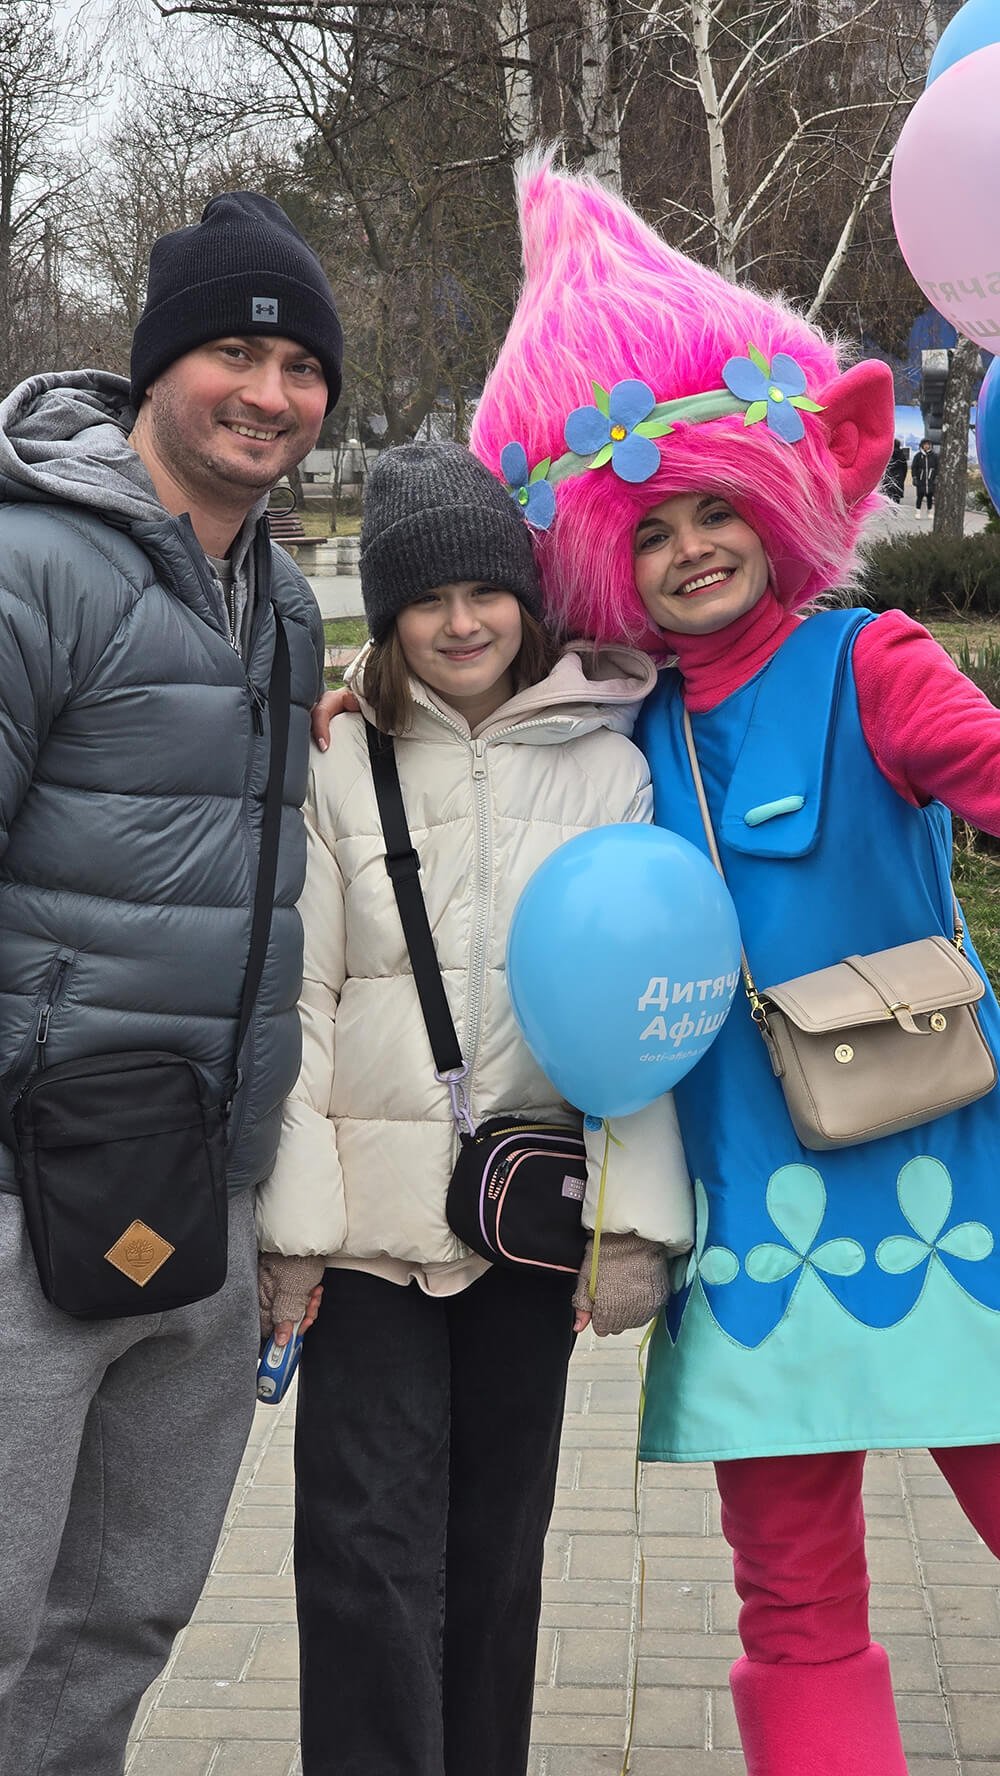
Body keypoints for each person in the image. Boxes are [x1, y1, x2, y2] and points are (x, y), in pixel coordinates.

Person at [469, 156, 1000, 1775]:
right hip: (748, 1226)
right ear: (599, 554)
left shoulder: (872, 660)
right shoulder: (613, 728)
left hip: (959, 1191)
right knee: (793, 1605)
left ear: (773, 497)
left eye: (717, 506)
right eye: (653, 527)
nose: (693, 548)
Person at [255, 440, 693, 1776]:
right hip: (367, 1236)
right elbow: (302, 1001)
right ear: (389, 615)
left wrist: (632, 1223)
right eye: (426, 599)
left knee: (498, 1555)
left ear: (526, 597)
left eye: (484, 591)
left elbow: (644, 1000)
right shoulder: (341, 757)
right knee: (360, 1556)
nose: (459, 623)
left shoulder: (607, 767)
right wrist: (293, 1234)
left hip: (526, 1226)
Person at [0, 190, 342, 1775]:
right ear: (156, 368)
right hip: (29, 1190)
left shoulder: (283, 598)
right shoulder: (30, 567)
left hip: (204, 1190)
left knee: (126, 1614)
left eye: (301, 365)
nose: (270, 393)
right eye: (234, 354)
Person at [912, 436, 938, 511]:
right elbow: (914, 467)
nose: (926, 446)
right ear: (922, 445)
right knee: (919, 496)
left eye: (928, 444)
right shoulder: (918, 456)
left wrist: (936, 477)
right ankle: (918, 511)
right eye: (925, 444)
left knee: (930, 497)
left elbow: (937, 467)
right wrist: (914, 477)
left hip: (930, 480)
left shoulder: (934, 456)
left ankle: (929, 511)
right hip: (921, 480)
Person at [885, 437, 908, 502]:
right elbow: (905, 469)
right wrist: (902, 478)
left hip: (888, 479)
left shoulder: (887, 454)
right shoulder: (902, 455)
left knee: (888, 499)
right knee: (896, 499)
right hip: (898, 478)